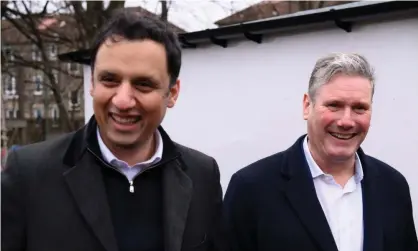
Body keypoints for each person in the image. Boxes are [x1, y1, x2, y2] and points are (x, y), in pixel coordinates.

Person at [2, 10, 224, 251]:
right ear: (92, 84)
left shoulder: (202, 175)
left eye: (143, 84)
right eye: (110, 80)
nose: (123, 101)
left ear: (172, 93)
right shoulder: (29, 175)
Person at [223, 53, 418, 251]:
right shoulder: (252, 188)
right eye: (334, 105)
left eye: (359, 108)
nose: (346, 121)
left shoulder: (393, 187)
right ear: (307, 106)